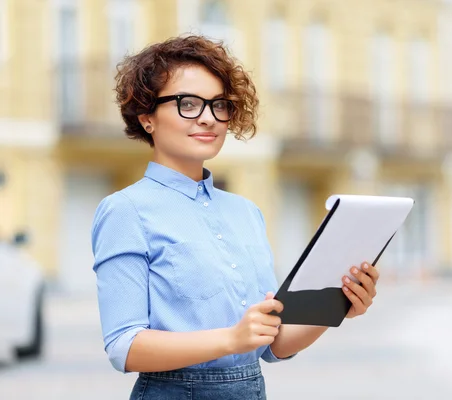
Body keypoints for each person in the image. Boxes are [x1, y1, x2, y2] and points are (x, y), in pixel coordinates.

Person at [91, 35, 380, 400]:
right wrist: (230, 339)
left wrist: (337, 305)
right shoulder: (125, 211)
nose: (209, 118)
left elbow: (272, 345)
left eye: (219, 105)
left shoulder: (246, 212)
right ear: (147, 116)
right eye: (188, 104)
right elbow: (124, 347)